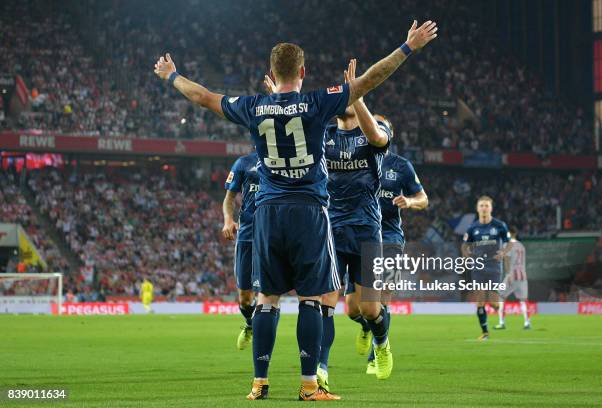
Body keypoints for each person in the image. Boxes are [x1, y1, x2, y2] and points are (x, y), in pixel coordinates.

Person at [154, 19, 438, 400]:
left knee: (267, 300)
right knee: (312, 300)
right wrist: (407, 48)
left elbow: (204, 96)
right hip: (310, 212)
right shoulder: (319, 102)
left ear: (272, 74)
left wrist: (172, 76)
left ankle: (259, 383)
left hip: (268, 212)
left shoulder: (254, 106)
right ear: (303, 72)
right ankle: (309, 385)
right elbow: (370, 79)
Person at [318, 59, 391, 389]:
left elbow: (376, 137)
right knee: (326, 304)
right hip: (331, 228)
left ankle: (381, 343)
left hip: (366, 229)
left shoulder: (375, 130)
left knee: (370, 307)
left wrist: (356, 92)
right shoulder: (325, 136)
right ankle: (320, 368)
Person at [362, 119, 428, 374]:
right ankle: (369, 329)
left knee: (382, 298)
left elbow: (424, 199)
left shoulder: (401, 166)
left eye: (380, 124)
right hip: (362, 235)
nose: (374, 126)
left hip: (389, 236)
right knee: (360, 307)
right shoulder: (356, 159)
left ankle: (375, 355)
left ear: (389, 133)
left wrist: (410, 202)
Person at [222, 152, 260, 350]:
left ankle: (263, 356)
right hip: (246, 235)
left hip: (272, 237)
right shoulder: (244, 163)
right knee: (245, 299)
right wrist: (228, 220)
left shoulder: (285, 161)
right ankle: (250, 324)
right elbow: (229, 198)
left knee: (267, 296)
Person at [462, 196, 513, 340]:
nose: (484, 208)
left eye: (486, 206)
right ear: (478, 208)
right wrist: (467, 256)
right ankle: (485, 332)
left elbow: (509, 243)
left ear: (491, 208)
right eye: (481, 206)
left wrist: (503, 252)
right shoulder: (473, 228)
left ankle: (499, 308)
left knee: (493, 302)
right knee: (480, 301)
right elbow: (465, 245)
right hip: (478, 267)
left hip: (494, 267)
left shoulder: (499, 225)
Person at [496, 226, 531, 330]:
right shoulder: (521, 246)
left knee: (500, 296)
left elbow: (507, 260)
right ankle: (527, 323)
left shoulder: (508, 245)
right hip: (523, 276)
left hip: (512, 275)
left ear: (510, 234)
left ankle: (502, 323)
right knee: (523, 300)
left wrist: (508, 274)